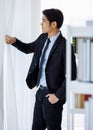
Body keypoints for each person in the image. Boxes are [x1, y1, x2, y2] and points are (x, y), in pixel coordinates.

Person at [5, 8, 77, 130]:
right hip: (40, 93)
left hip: (52, 96)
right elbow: (28, 48)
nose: (41, 23)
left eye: (44, 20)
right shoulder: (43, 38)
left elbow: (72, 75)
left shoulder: (65, 46)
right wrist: (14, 41)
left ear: (53, 24)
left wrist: (58, 96)